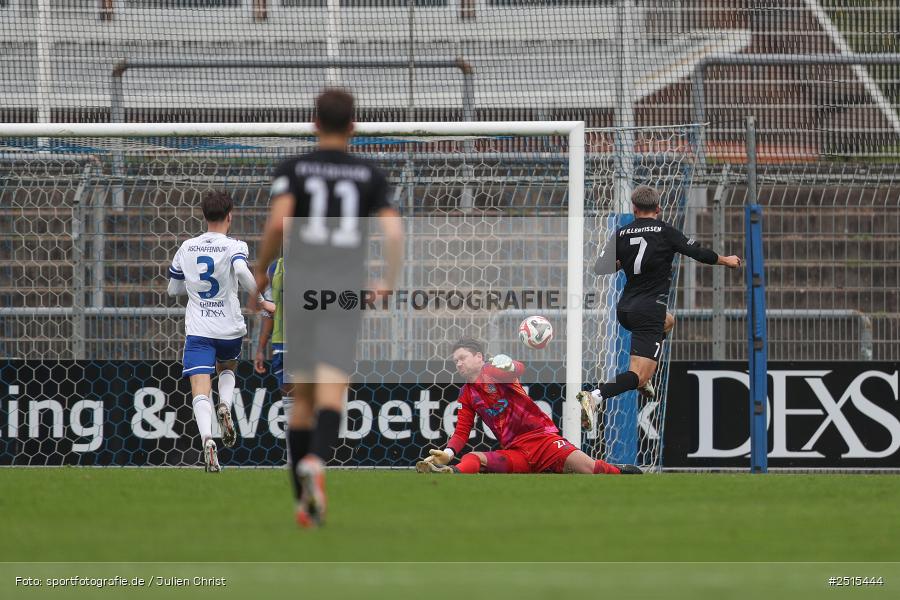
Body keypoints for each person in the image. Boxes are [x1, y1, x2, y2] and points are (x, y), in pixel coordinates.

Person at [251, 88, 404, 527]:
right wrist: (387, 281)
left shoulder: (295, 168)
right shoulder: (368, 173)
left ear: (314, 123)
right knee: (334, 388)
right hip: (342, 288)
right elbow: (393, 235)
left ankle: (303, 501)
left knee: (302, 398)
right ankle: (317, 460)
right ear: (353, 126)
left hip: (300, 288)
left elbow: (279, 222)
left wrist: (261, 272)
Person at [577, 185, 742, 430]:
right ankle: (595, 397)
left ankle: (644, 381)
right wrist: (725, 260)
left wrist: (624, 261)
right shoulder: (665, 232)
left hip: (626, 309)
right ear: (658, 208)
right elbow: (698, 252)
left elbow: (600, 267)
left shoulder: (621, 233)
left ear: (634, 209)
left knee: (670, 321)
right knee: (638, 374)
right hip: (649, 311)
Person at [416, 338, 641, 475]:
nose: (458, 363)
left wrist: (510, 363)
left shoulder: (493, 371)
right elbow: (462, 430)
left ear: (479, 357)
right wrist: (447, 453)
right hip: (516, 450)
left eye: (462, 358)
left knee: (591, 470)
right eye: (455, 361)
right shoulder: (466, 394)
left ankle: (619, 471)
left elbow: (518, 370)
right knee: (476, 458)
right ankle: (450, 472)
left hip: (543, 439)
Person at [167, 191, 274, 472]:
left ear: (204, 216)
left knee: (200, 389)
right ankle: (225, 404)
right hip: (229, 327)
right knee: (228, 368)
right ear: (230, 216)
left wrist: (193, 288)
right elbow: (240, 271)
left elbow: (173, 289)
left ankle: (207, 439)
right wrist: (262, 301)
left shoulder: (187, 247)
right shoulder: (235, 245)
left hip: (199, 329)